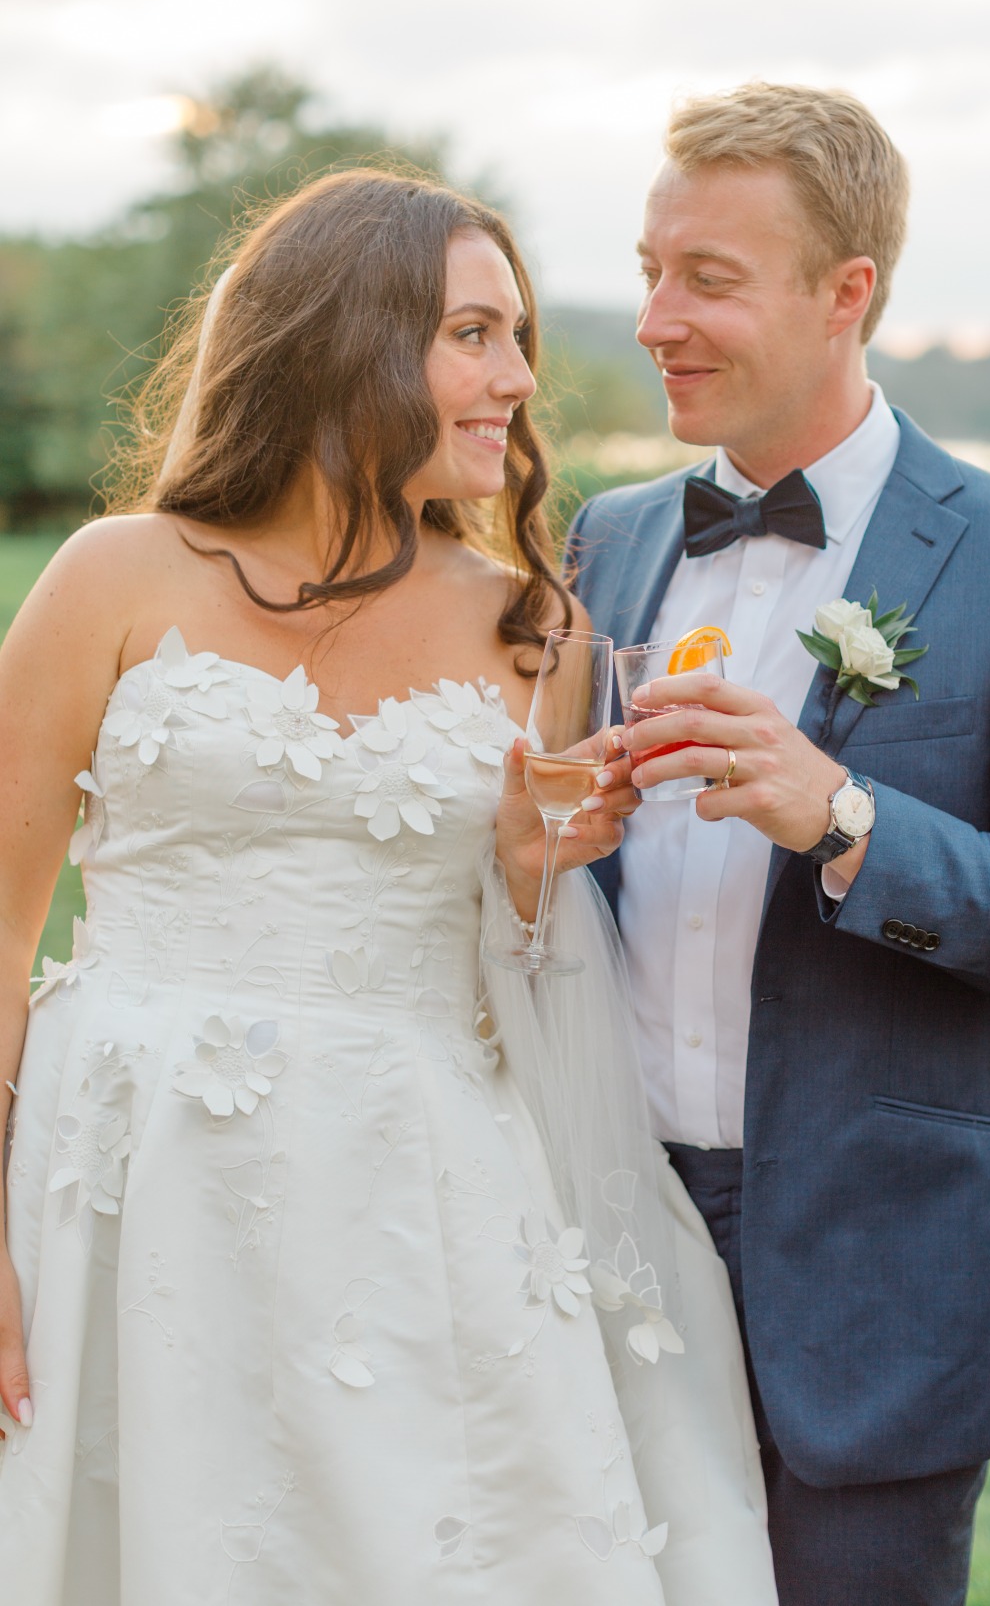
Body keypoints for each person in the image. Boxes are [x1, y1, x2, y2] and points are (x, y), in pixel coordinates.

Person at [0, 169, 778, 1604]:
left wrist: (531, 878)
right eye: (476, 333)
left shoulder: (533, 631)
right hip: (119, 1173)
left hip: (418, 1188)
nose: (519, 377)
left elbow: (532, 975)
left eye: (520, 335)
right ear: (343, 341)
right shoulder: (113, 577)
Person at [568, 83, 990, 1606]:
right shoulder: (611, 537)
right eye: (650, 269)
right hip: (601, 1243)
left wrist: (844, 819)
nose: (655, 317)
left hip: (876, 1269)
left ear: (851, 296)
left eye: (708, 278)